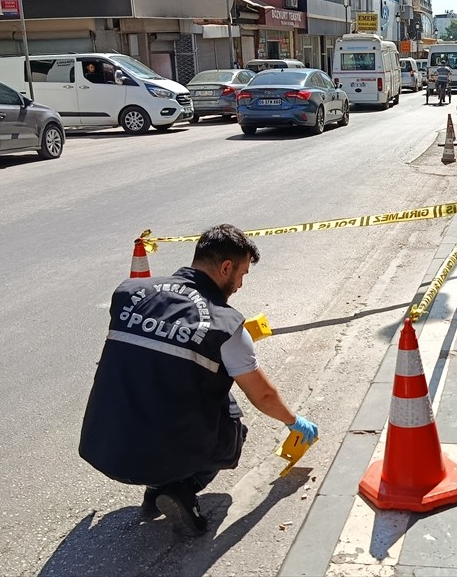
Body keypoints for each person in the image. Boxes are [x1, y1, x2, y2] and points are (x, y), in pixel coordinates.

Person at [79, 225, 318, 537]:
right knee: (231, 413)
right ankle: (179, 487)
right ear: (226, 267)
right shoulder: (225, 323)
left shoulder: (128, 294)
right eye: (242, 273)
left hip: (103, 445)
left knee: (153, 372)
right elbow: (264, 397)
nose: (241, 284)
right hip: (154, 454)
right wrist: (294, 421)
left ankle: (158, 485)